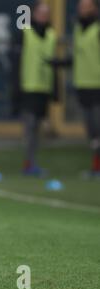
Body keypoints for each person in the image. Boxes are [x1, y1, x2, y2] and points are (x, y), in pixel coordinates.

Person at [10, 1, 57, 176]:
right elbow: (16, 63)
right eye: (41, 13)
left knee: (37, 128)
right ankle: (28, 163)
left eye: (46, 13)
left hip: (43, 89)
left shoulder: (51, 34)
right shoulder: (25, 33)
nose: (43, 16)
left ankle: (32, 162)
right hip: (27, 88)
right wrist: (15, 88)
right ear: (34, 14)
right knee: (29, 127)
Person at [73, 0, 100, 175]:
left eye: (86, 6)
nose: (82, 9)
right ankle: (96, 167)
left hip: (98, 87)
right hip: (83, 86)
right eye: (80, 6)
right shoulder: (78, 29)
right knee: (92, 132)